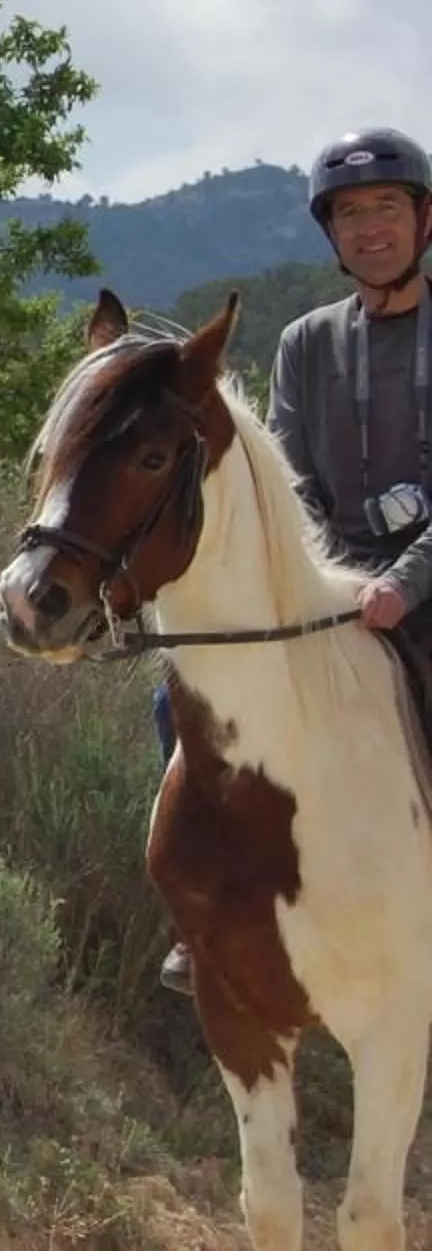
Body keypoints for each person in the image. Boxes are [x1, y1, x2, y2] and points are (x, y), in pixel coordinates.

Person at [157, 125, 432, 993]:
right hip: (332, 594)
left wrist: (403, 582)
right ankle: (209, 913)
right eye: (350, 214)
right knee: (186, 706)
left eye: (386, 207)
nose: (369, 229)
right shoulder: (307, 343)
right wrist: (313, 584)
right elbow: (291, 487)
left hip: (419, 593)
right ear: (331, 234)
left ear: (422, 219)